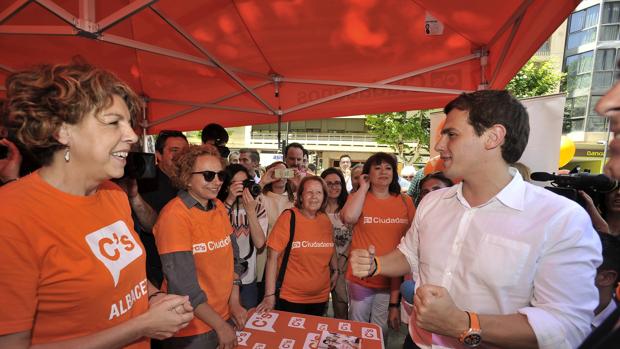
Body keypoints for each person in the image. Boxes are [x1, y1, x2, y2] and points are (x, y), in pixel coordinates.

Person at [350, 90, 602, 349]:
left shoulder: (560, 219)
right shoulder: (432, 202)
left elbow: (567, 326)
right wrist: (375, 264)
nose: (438, 146)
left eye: (451, 134)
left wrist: (463, 323)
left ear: (493, 137)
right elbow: (409, 255)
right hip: (417, 342)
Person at [0, 62, 193, 348]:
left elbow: (129, 276)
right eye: (114, 122)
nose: (132, 135)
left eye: (129, 123)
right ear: (62, 131)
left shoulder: (114, 194)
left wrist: (154, 297)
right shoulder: (12, 217)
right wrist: (141, 325)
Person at [153, 144, 246, 349]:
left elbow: (234, 261)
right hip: (191, 328)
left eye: (220, 175)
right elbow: (183, 287)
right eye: (208, 175)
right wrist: (220, 326)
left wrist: (234, 302)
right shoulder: (174, 217)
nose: (216, 182)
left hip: (223, 317)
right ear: (186, 178)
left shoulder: (219, 206)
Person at [341, 152, 415, 345]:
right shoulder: (358, 197)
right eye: (377, 168)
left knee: (380, 329)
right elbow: (349, 218)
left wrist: (395, 300)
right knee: (357, 328)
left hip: (391, 279)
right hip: (361, 278)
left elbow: (414, 239)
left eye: (388, 168)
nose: (384, 172)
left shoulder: (405, 201)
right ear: (368, 174)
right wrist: (363, 188)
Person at [256, 176, 337, 316]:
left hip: (321, 297)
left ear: (324, 197)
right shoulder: (289, 217)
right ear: (300, 197)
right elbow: (272, 258)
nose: (314, 197)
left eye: (319, 192)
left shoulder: (325, 220)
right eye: (309, 192)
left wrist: (336, 270)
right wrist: (269, 295)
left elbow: (331, 245)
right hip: (291, 298)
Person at [132, 129, 189, 288]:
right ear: (158, 155)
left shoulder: (189, 181)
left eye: (185, 151)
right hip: (156, 270)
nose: (180, 156)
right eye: (174, 151)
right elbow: (152, 226)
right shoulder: (146, 180)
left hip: (184, 264)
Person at [217, 164, 268, 309]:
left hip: (247, 277)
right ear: (226, 186)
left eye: (245, 183)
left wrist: (250, 210)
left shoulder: (257, 206)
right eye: (236, 184)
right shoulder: (217, 206)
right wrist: (230, 200)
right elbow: (212, 231)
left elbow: (259, 243)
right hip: (221, 278)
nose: (242, 188)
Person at [255, 161, 296, 300]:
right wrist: (263, 181)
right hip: (265, 254)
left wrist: (300, 180)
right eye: (276, 172)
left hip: (289, 255)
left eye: (284, 172)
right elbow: (247, 201)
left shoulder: (295, 199)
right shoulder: (262, 197)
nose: (280, 176)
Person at [321, 167, 353, 319]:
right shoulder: (317, 208)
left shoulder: (350, 207)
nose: (334, 187)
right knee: (320, 308)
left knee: (341, 305)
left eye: (337, 183)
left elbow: (357, 237)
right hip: (321, 264)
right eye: (329, 183)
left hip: (344, 264)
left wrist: (343, 259)